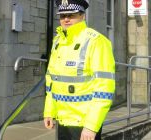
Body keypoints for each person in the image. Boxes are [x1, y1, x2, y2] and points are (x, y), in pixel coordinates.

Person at [43, 0, 115, 140]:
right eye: (63, 15)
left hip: (84, 124)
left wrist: (91, 126)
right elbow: (52, 81)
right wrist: (49, 111)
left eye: (72, 15)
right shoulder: (58, 41)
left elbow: (104, 90)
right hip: (62, 121)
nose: (66, 19)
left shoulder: (97, 41)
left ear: (82, 15)